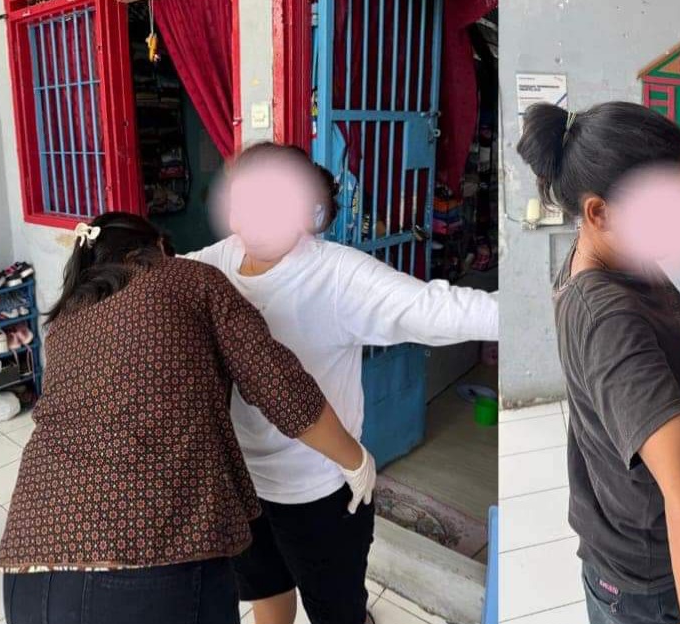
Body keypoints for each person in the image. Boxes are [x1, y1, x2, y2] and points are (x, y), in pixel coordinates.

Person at [0, 213, 375, 624]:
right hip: (150, 560)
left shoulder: (67, 317)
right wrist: (355, 460)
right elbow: (278, 385)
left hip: (30, 568)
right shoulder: (191, 279)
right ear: (158, 246)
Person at [184, 142, 499, 624]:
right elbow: (149, 284)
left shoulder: (337, 275)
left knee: (336, 608)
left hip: (320, 490)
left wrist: (535, 310)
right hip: (242, 481)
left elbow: (434, 309)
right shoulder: (214, 263)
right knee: (265, 587)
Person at [516, 101, 680, 624]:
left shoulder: (622, 258)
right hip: (647, 576)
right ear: (599, 213)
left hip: (635, 540)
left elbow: (657, 374)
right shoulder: (606, 317)